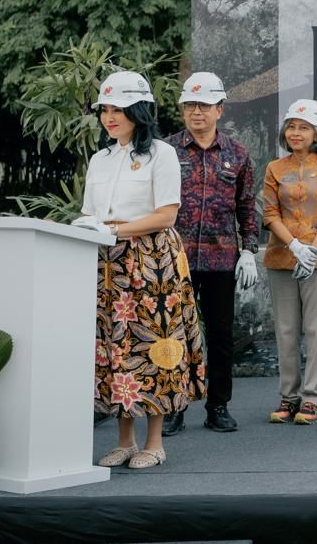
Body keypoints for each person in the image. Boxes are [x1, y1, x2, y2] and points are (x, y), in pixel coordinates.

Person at [73, 70, 205, 470]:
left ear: (139, 111)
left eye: (118, 109)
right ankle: (125, 440)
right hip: (107, 265)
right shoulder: (100, 158)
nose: (109, 117)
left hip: (151, 263)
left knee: (153, 346)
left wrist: (114, 230)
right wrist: (91, 228)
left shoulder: (161, 154)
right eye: (105, 110)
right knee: (116, 348)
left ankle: (155, 441)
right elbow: (88, 212)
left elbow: (166, 214)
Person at [161, 72, 259, 436]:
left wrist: (249, 250)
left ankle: (218, 405)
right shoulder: (166, 150)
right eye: (189, 105)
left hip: (221, 260)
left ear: (219, 109)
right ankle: (173, 407)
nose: (196, 112)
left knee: (219, 335)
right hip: (175, 259)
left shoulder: (238, 154)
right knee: (174, 334)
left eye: (203, 105)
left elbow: (247, 207)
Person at [260, 99, 317, 425]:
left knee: (314, 329)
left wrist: (311, 249)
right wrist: (295, 245)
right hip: (281, 256)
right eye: (292, 126)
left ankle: (312, 398)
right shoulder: (274, 168)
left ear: (316, 133)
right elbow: (269, 213)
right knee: (285, 330)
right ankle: (288, 396)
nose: (296, 133)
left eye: (304, 127)